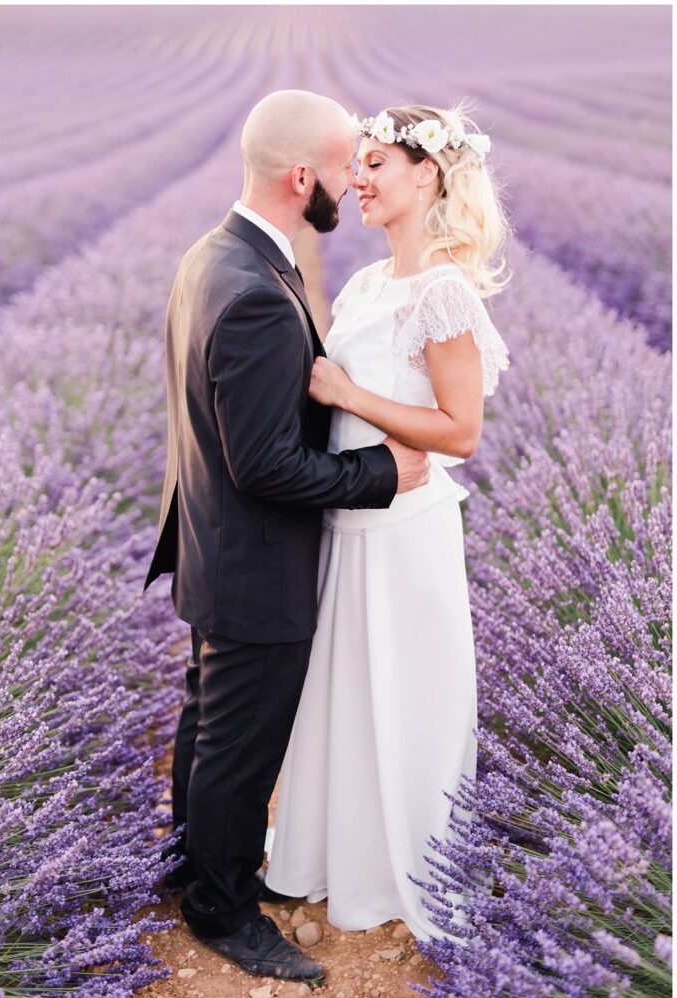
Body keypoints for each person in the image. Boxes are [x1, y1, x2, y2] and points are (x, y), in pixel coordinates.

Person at [143, 90, 431, 983]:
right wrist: (382, 474)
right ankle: (220, 907)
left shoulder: (211, 256)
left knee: (209, 721)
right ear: (301, 175)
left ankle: (199, 864)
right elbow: (265, 466)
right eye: (346, 166)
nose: (355, 182)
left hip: (209, 545)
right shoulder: (259, 294)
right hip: (255, 561)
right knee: (241, 741)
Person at [263, 104, 512, 942]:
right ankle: (334, 857)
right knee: (344, 693)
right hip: (351, 521)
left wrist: (347, 394)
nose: (357, 179)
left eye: (375, 164)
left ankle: (406, 871)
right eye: (356, 163)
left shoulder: (443, 293)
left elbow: (462, 433)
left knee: (406, 696)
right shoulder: (370, 283)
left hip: (406, 532)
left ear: (426, 176)